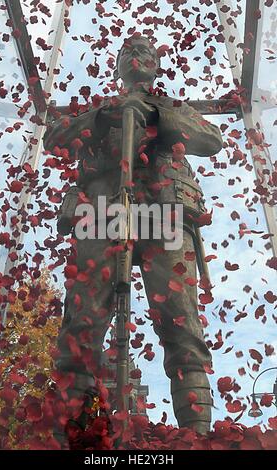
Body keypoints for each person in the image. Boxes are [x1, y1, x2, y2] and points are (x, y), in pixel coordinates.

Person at [43, 33, 223, 439]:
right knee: (83, 320)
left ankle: (195, 433)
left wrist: (158, 119)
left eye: (145, 51)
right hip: (102, 210)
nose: (136, 56)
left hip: (165, 211)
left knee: (181, 320)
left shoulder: (172, 107)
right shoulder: (100, 110)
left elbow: (212, 140)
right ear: (118, 65)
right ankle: (76, 432)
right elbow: (55, 138)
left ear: (156, 65)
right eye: (128, 51)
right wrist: (103, 118)